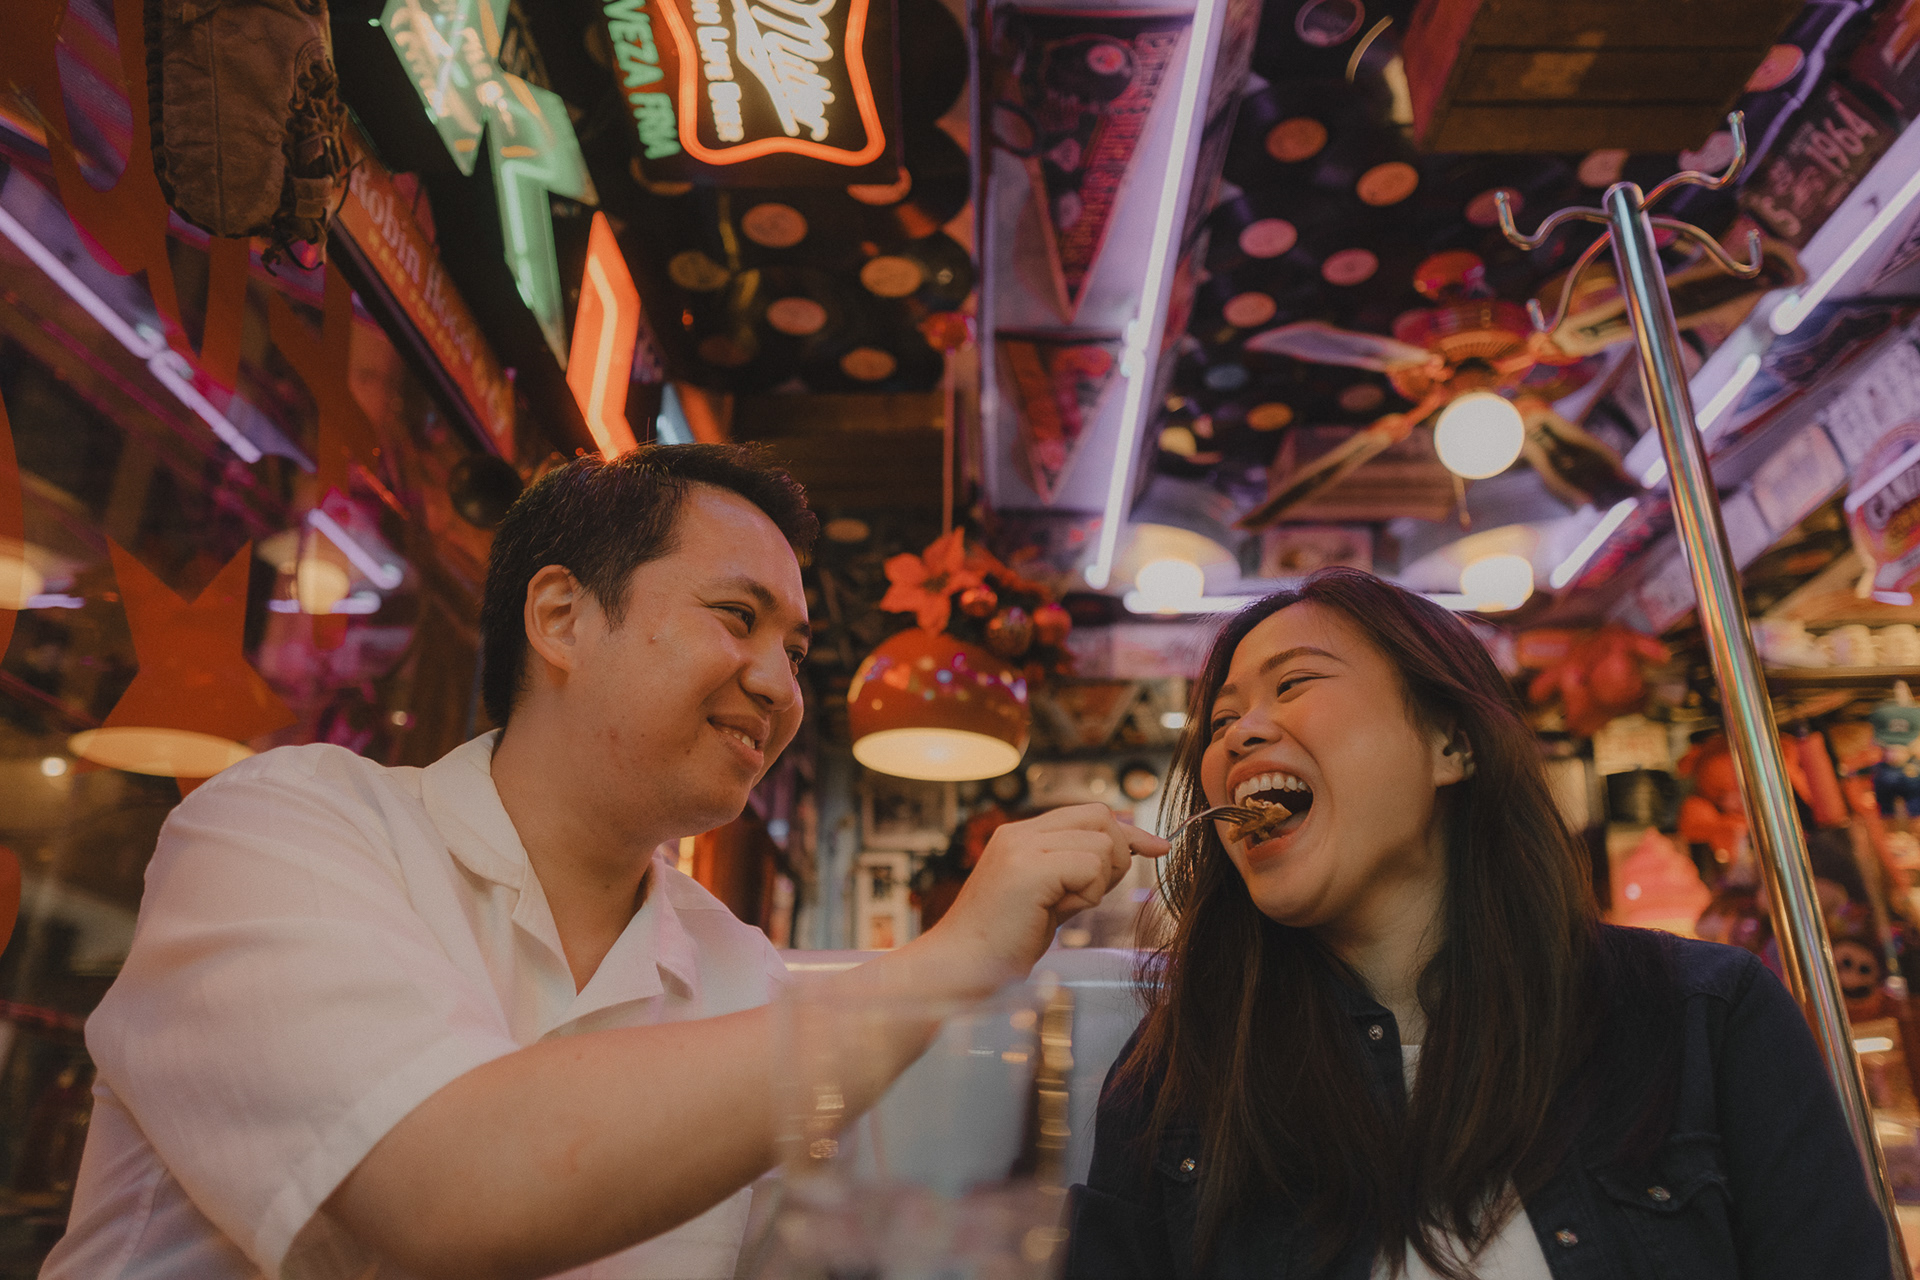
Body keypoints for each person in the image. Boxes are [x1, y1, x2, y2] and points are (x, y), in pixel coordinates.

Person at [44, 444, 1166, 1280]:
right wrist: (954, 960)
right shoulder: (285, 828)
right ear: (561, 616)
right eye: (737, 617)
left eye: (795, 648)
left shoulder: (736, 968)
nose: (780, 686)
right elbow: (450, 1188)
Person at [1065, 568, 1892, 1280]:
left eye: (1293, 684)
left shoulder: (1706, 1020)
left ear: (1452, 745)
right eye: (1219, 723)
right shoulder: (1174, 1081)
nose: (1239, 733)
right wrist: (994, 955)